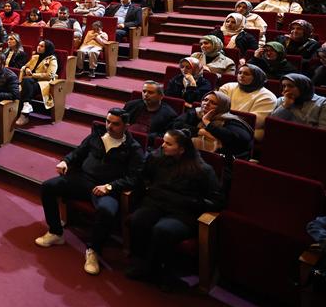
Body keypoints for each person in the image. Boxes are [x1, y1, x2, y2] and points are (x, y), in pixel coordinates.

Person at [35, 109, 143, 276]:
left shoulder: (133, 148)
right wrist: (66, 161)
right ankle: (55, 232)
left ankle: (93, 250)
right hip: (83, 180)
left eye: (115, 124)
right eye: (108, 121)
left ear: (126, 126)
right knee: (48, 186)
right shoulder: (97, 135)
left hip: (106, 187)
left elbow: (134, 178)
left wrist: (109, 187)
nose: (109, 126)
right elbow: (78, 152)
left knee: (106, 210)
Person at [126, 129, 222, 289]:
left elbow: (217, 200)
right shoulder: (158, 159)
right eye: (163, 141)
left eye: (168, 143)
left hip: (183, 213)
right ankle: (141, 264)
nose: (162, 146)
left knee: (162, 229)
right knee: (138, 220)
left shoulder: (202, 170)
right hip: (157, 204)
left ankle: (160, 272)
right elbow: (143, 178)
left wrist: (192, 202)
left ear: (182, 149)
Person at [173, 91, 254, 159]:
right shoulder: (197, 112)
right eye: (205, 100)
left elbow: (237, 138)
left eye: (213, 103)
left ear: (222, 107)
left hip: (222, 161)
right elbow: (176, 124)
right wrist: (201, 131)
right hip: (193, 155)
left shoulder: (230, 120)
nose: (207, 103)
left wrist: (207, 122)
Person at [219, 64, 275, 140]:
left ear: (256, 77)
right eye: (240, 73)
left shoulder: (267, 96)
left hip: (246, 130)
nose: (241, 76)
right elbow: (215, 107)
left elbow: (255, 122)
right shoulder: (227, 87)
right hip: (221, 124)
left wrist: (223, 116)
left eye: (246, 74)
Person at [17, 40, 59, 125]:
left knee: (27, 83)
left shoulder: (52, 59)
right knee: (26, 82)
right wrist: (27, 69)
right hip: (31, 81)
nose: (38, 47)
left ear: (47, 48)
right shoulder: (35, 57)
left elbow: (50, 75)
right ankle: (26, 106)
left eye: (42, 46)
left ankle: (24, 114)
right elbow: (25, 66)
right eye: (38, 45)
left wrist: (34, 75)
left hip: (44, 83)